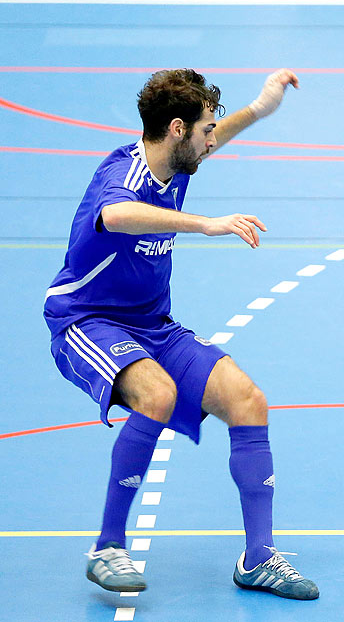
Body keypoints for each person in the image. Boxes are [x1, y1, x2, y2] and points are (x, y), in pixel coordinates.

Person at [44, 68, 319, 599]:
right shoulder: (122, 175)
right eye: (206, 129)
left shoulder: (177, 160)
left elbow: (213, 139)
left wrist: (260, 108)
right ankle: (108, 545)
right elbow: (116, 214)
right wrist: (204, 224)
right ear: (176, 129)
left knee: (248, 400)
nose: (213, 139)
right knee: (158, 395)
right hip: (86, 320)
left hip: (153, 326)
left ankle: (258, 557)